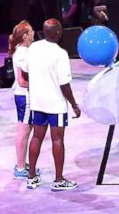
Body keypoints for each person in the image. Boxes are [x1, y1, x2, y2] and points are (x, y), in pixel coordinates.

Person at [25, 18, 81, 191]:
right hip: (55, 104)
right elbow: (64, 84)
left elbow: (26, 72)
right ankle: (58, 180)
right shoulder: (60, 54)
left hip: (37, 102)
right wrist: (74, 104)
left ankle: (32, 177)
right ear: (58, 33)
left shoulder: (33, 47)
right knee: (57, 140)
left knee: (36, 137)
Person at [9, 20, 34, 179]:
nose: (33, 33)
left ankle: (22, 164)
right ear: (25, 35)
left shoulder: (21, 51)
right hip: (25, 97)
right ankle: (20, 168)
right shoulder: (23, 54)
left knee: (25, 131)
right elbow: (22, 81)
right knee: (23, 132)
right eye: (31, 31)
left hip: (23, 96)